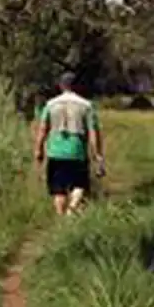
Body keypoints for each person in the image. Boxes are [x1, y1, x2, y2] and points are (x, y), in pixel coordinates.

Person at [34, 73, 105, 215]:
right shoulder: (86, 105)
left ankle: (61, 218)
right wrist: (97, 154)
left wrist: (39, 149)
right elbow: (92, 132)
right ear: (77, 86)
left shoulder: (51, 104)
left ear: (61, 86)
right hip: (77, 151)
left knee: (58, 189)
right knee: (79, 184)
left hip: (55, 151)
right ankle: (72, 209)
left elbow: (43, 129)